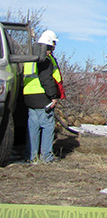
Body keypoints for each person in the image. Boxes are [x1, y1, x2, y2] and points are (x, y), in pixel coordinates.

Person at [23, 29, 65, 163]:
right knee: (47, 126)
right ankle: (46, 157)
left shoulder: (29, 56)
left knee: (33, 127)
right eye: (53, 44)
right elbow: (46, 79)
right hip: (42, 97)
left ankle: (31, 157)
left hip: (29, 97)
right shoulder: (44, 59)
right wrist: (53, 96)